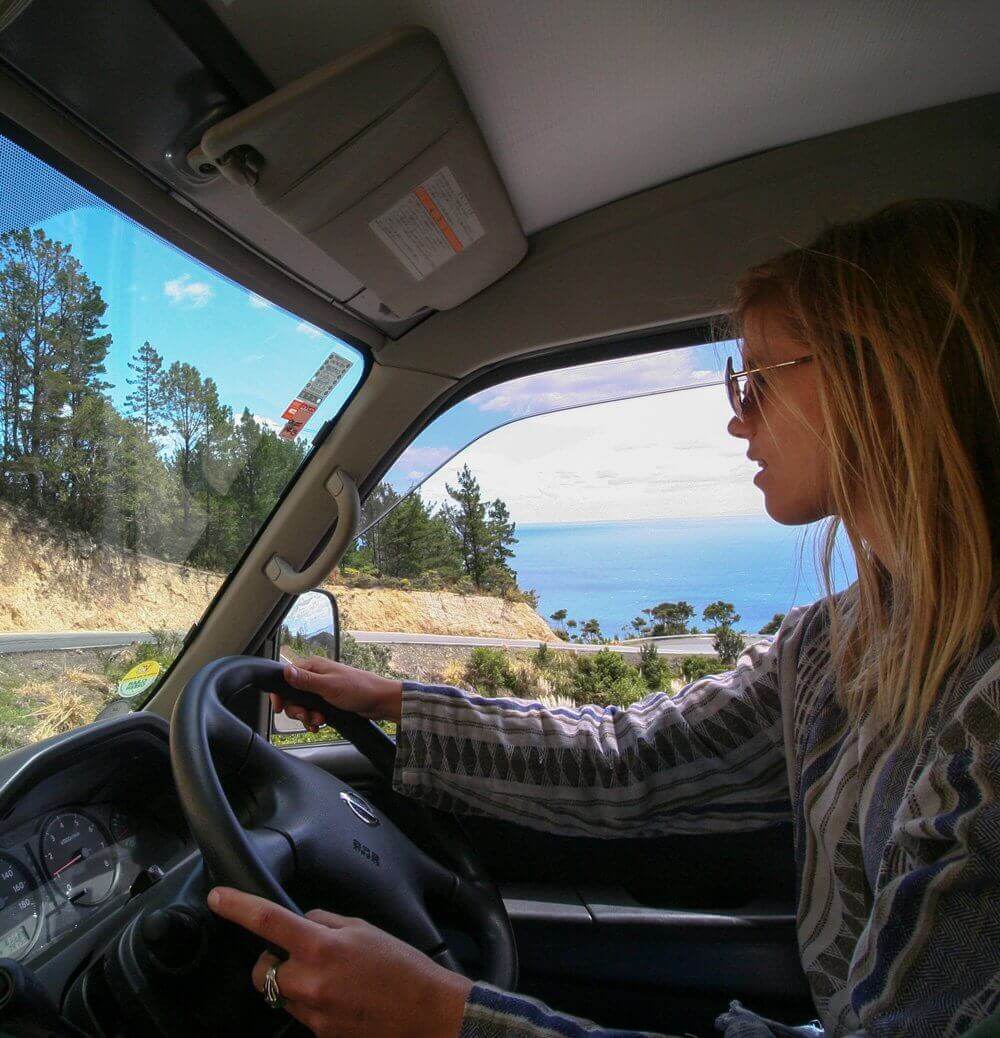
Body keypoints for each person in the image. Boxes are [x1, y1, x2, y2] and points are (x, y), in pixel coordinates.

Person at [208, 198, 1000, 1038]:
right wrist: (398, 703)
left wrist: (445, 1020)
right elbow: (635, 759)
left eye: (758, 379)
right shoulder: (839, 642)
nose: (738, 417)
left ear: (891, 382)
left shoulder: (986, 717)